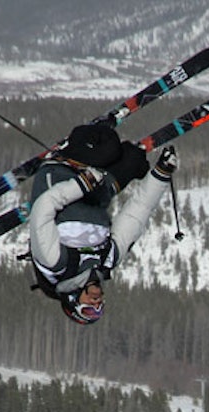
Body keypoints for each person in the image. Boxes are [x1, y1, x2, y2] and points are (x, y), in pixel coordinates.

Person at [27, 121, 178, 325]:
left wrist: (79, 185)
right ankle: (100, 151)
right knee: (136, 162)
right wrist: (161, 175)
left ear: (72, 300)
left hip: (61, 175)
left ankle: (77, 143)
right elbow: (136, 214)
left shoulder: (55, 263)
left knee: (108, 148)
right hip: (95, 189)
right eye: (99, 308)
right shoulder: (106, 260)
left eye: (89, 309)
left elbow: (42, 209)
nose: (97, 304)